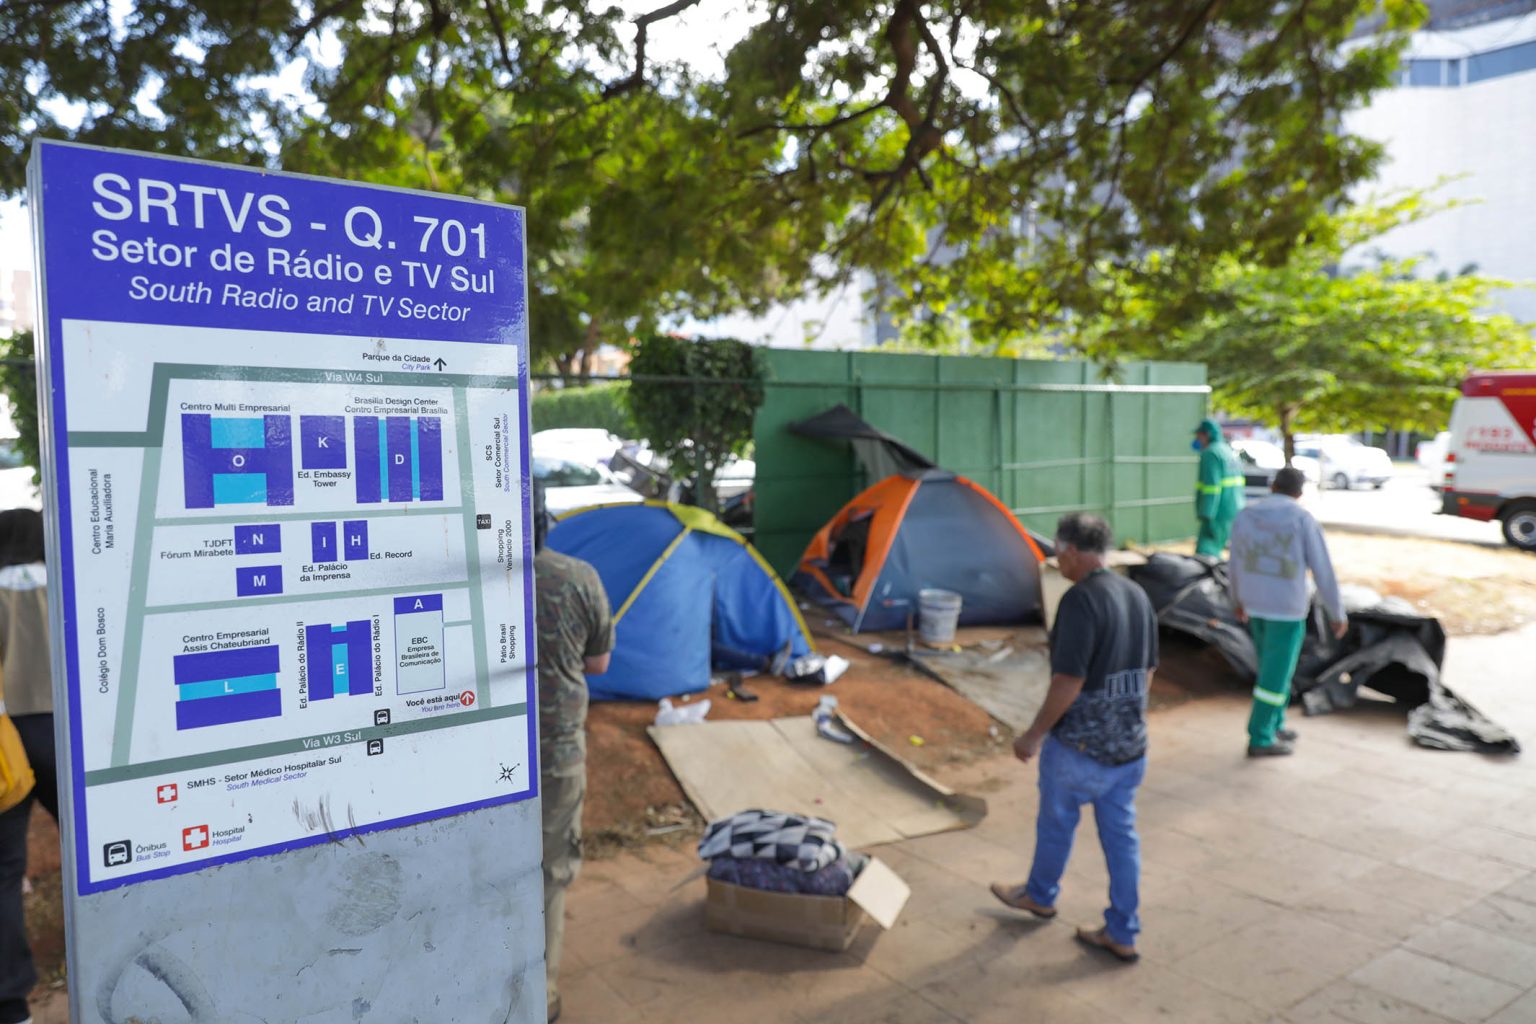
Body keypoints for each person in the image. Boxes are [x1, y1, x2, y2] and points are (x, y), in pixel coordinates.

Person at [989, 513, 1157, 964]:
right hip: (1129, 749)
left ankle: (1040, 895)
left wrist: (1034, 736)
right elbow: (1147, 671)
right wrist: (1125, 720)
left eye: (1058, 553)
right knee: (1122, 840)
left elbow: (1069, 679)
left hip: (1079, 749)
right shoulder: (1136, 594)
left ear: (1070, 551)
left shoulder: (1080, 601)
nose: (1055, 562)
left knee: (1056, 824)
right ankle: (1123, 931)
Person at [532, 483, 613, 1023]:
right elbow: (599, 665)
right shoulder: (578, 577)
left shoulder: (479, 576)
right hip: (556, 749)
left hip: (479, 757)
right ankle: (540, 997)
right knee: (549, 873)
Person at [1229, 467, 1347, 758]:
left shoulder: (1246, 516)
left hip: (1254, 604)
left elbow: (1234, 562)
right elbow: (1323, 570)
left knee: (1272, 671)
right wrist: (1337, 612)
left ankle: (1275, 722)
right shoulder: (1302, 519)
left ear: (1273, 486)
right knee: (1275, 677)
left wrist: (1237, 599)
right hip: (1286, 609)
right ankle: (1261, 737)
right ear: (1299, 492)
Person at [0, 509, 51, 1024]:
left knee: (4, 873)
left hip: (8, 742)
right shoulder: (62, 581)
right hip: (66, 733)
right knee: (94, 853)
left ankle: (12, 1004)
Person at [1193, 418, 1245, 557]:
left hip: (1216, 512)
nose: (1197, 440)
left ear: (1206, 435)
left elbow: (1211, 487)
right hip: (1233, 509)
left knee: (1206, 552)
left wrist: (1206, 514)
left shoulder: (1211, 453)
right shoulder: (1227, 451)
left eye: (1199, 436)